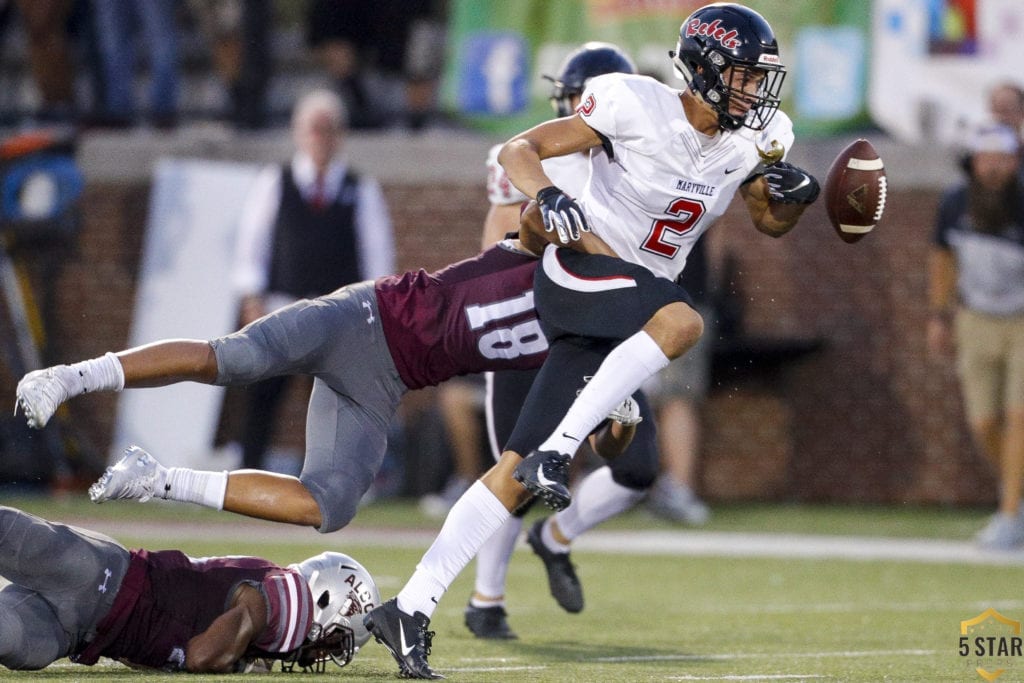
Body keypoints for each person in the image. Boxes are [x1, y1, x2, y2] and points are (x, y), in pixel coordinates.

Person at [363, 5, 819, 678]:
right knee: (682, 321)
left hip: (626, 309)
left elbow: (766, 217)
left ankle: (410, 604)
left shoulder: (756, 136)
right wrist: (546, 197)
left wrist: (795, 199)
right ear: (709, 72)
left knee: (513, 471)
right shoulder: (635, 103)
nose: (758, 93)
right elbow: (520, 149)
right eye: (747, 77)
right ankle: (560, 451)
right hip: (579, 273)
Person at [15, 221, 622, 535]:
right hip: (361, 317)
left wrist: (622, 418)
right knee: (235, 359)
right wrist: (563, 210)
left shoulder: (585, 346)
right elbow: (536, 213)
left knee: (330, 506)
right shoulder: (550, 259)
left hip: (384, 383)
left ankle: (157, 479)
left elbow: (602, 441)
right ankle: (70, 377)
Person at [465, 42, 659, 640]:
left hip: (599, 334)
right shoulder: (531, 158)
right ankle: (485, 599)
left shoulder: (642, 168)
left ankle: (555, 538)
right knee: (514, 472)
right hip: (530, 328)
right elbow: (502, 242)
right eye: (579, 100)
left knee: (638, 466)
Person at [0, 503, 380, 672]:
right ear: (325, 599)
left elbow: (153, 648)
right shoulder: (284, 597)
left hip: (75, 635)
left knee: (11, 640)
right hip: (100, 577)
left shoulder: (260, 635)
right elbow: (201, 656)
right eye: (333, 642)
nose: (320, 657)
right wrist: (238, 666)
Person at [231, 88, 395, 471]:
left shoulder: (360, 188)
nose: (321, 138)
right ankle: (245, 472)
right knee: (263, 394)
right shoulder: (277, 180)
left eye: (329, 129)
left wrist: (373, 309)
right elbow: (252, 243)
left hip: (338, 312)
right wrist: (250, 294)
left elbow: (378, 255)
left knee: (335, 401)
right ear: (299, 133)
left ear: (341, 135)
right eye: (314, 129)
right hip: (282, 306)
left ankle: (338, 476)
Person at [927, 123, 1024, 550]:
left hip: (1022, 318)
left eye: (1002, 159)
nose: (993, 167)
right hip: (976, 318)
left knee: (1019, 416)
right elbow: (943, 260)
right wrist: (939, 315)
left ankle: (1008, 516)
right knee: (983, 421)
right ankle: (1017, 499)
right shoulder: (954, 203)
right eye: (986, 158)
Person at [642, 234, 713, 525]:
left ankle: (674, 489)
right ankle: (677, 489)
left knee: (674, 396)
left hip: (637, 287)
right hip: (681, 292)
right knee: (676, 396)